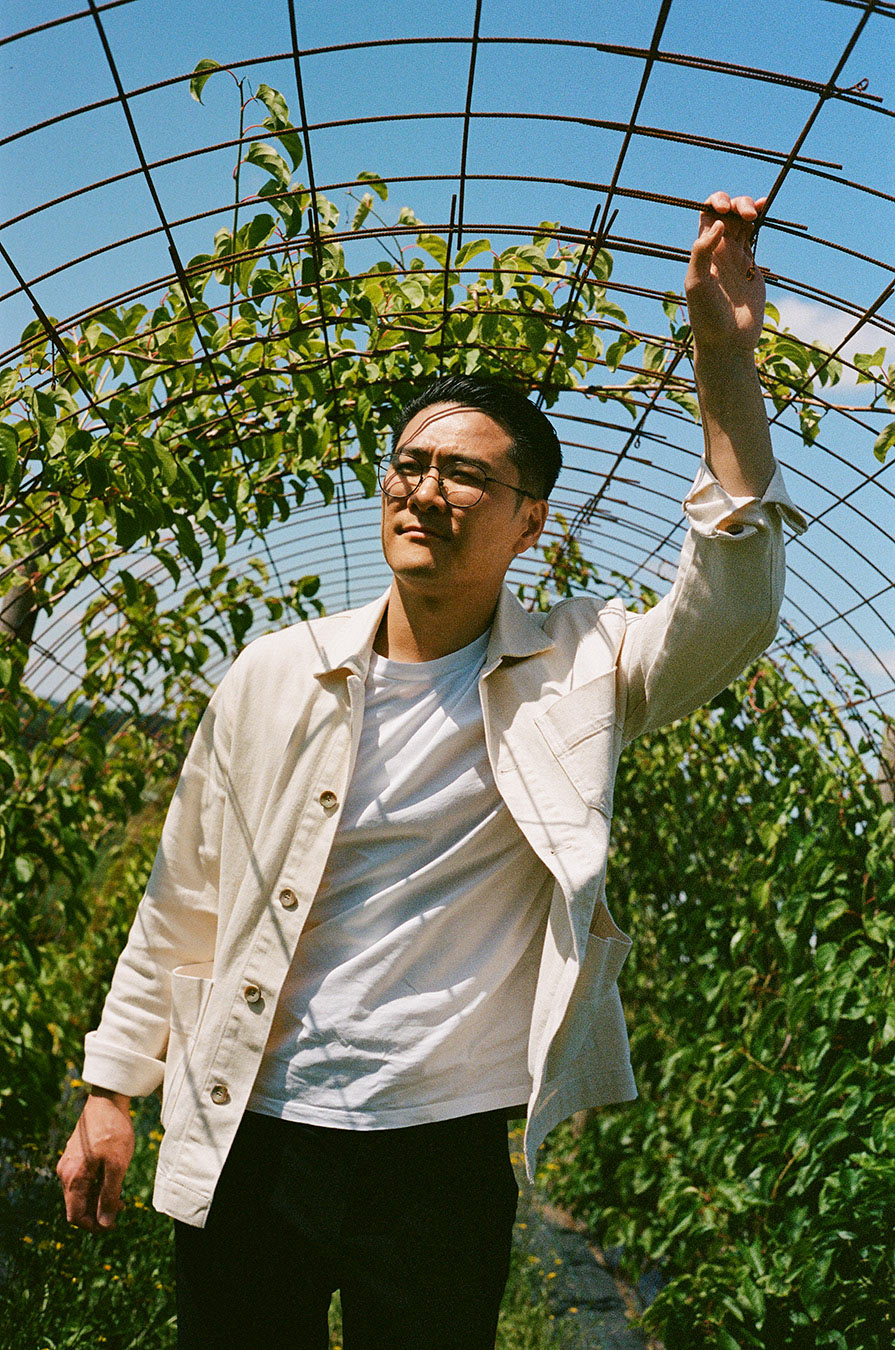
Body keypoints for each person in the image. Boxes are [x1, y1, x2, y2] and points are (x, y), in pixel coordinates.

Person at [57, 191, 805, 1348]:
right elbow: (182, 899)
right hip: (254, 1122)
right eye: (410, 464)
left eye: (466, 476)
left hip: (440, 1145)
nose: (425, 490)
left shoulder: (577, 670)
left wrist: (722, 366)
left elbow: (731, 609)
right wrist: (113, 1090)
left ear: (529, 523)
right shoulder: (272, 675)